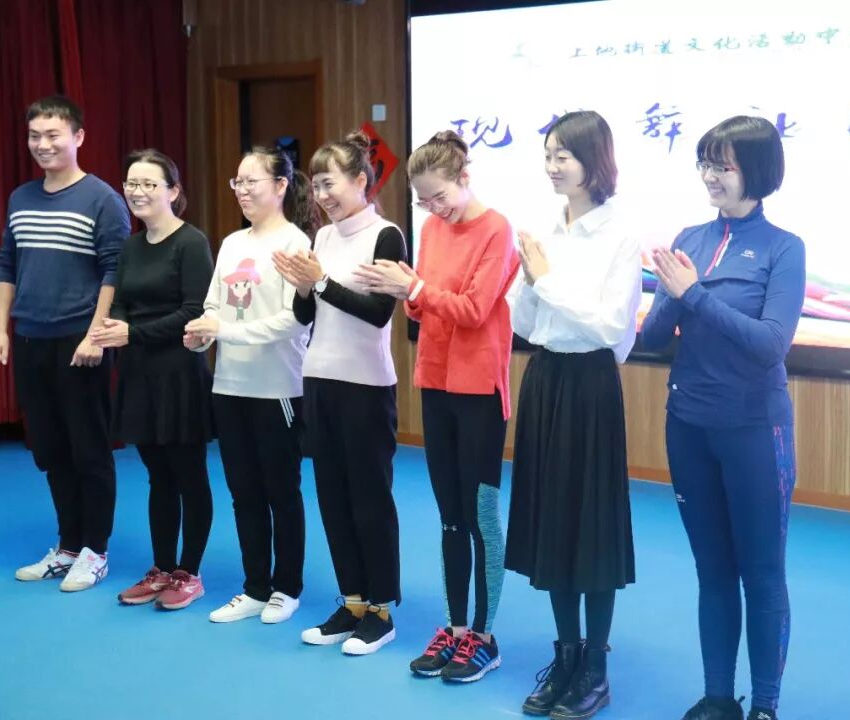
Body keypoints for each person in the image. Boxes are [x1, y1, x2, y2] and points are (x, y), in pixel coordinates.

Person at [639, 116, 805, 720]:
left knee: (761, 573)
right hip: (688, 425)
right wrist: (668, 293)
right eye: (705, 163)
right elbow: (654, 338)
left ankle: (765, 706)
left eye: (723, 165)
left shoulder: (784, 248)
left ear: (755, 171)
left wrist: (693, 294)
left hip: (755, 430)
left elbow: (770, 345)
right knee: (712, 570)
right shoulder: (691, 238)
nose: (710, 176)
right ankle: (717, 697)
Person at [354, 130, 519, 681]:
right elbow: (422, 308)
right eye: (423, 200)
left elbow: (474, 309)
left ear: (464, 178)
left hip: (479, 387)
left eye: (440, 196)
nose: (433, 208)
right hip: (435, 380)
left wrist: (415, 291)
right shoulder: (429, 228)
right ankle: (455, 627)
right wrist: (408, 291)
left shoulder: (496, 229)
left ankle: (484, 637)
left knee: (480, 517)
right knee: (449, 516)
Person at [505, 110, 641, 719]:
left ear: (595, 160)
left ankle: (596, 666)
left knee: (593, 526)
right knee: (552, 522)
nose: (552, 166)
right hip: (546, 379)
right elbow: (526, 323)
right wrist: (529, 283)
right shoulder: (546, 232)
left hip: (590, 385)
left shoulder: (620, 235)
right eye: (548, 154)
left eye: (563, 155)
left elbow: (611, 329)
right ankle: (565, 655)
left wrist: (547, 280)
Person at [273, 130, 406, 656]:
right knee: (332, 496)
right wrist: (306, 286)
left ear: (360, 181)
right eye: (316, 185)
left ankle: (381, 610)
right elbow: (305, 314)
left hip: (367, 386)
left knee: (370, 498)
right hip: (320, 380)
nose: (322, 195)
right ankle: (352, 601)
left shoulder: (386, 235)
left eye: (330, 184)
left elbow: (377, 314)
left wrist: (321, 281)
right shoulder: (322, 238)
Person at [0, 95, 129, 592]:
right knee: (50, 449)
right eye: (35, 135)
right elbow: (7, 264)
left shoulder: (102, 199)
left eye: (53, 134)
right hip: (30, 340)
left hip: (79, 342)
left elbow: (115, 272)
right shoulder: (21, 198)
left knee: (89, 449)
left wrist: (95, 335)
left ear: (78, 137)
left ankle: (95, 551)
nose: (43, 144)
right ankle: (68, 546)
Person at [183, 146, 319, 625]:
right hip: (229, 385)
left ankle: (287, 588)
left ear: (281, 186)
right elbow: (214, 304)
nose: (241, 190)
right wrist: (204, 333)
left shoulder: (296, 243)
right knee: (243, 492)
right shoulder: (232, 243)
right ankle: (256, 586)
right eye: (236, 182)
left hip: (277, 387)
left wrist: (225, 331)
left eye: (250, 181)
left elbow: (293, 321)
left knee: (282, 491)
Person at [90, 149, 215, 610]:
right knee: (158, 478)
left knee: (188, 476)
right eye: (131, 183)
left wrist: (133, 332)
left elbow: (194, 311)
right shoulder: (131, 246)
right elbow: (121, 301)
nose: (137, 192)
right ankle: (162, 568)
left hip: (179, 375)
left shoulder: (192, 242)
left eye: (148, 184)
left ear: (173, 191)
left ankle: (189, 572)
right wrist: (115, 325)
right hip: (139, 375)